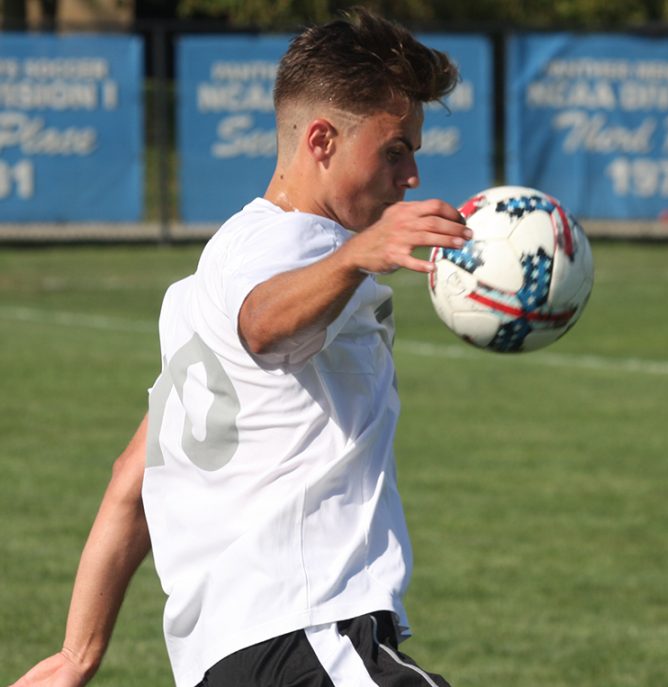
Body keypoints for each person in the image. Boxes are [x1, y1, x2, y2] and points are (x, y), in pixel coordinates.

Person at [13, 8, 469, 687]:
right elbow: (265, 322)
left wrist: (79, 651)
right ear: (321, 139)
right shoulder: (302, 247)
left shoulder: (210, 276)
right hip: (309, 633)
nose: (409, 176)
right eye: (395, 149)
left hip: (227, 659)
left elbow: (131, 480)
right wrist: (359, 254)